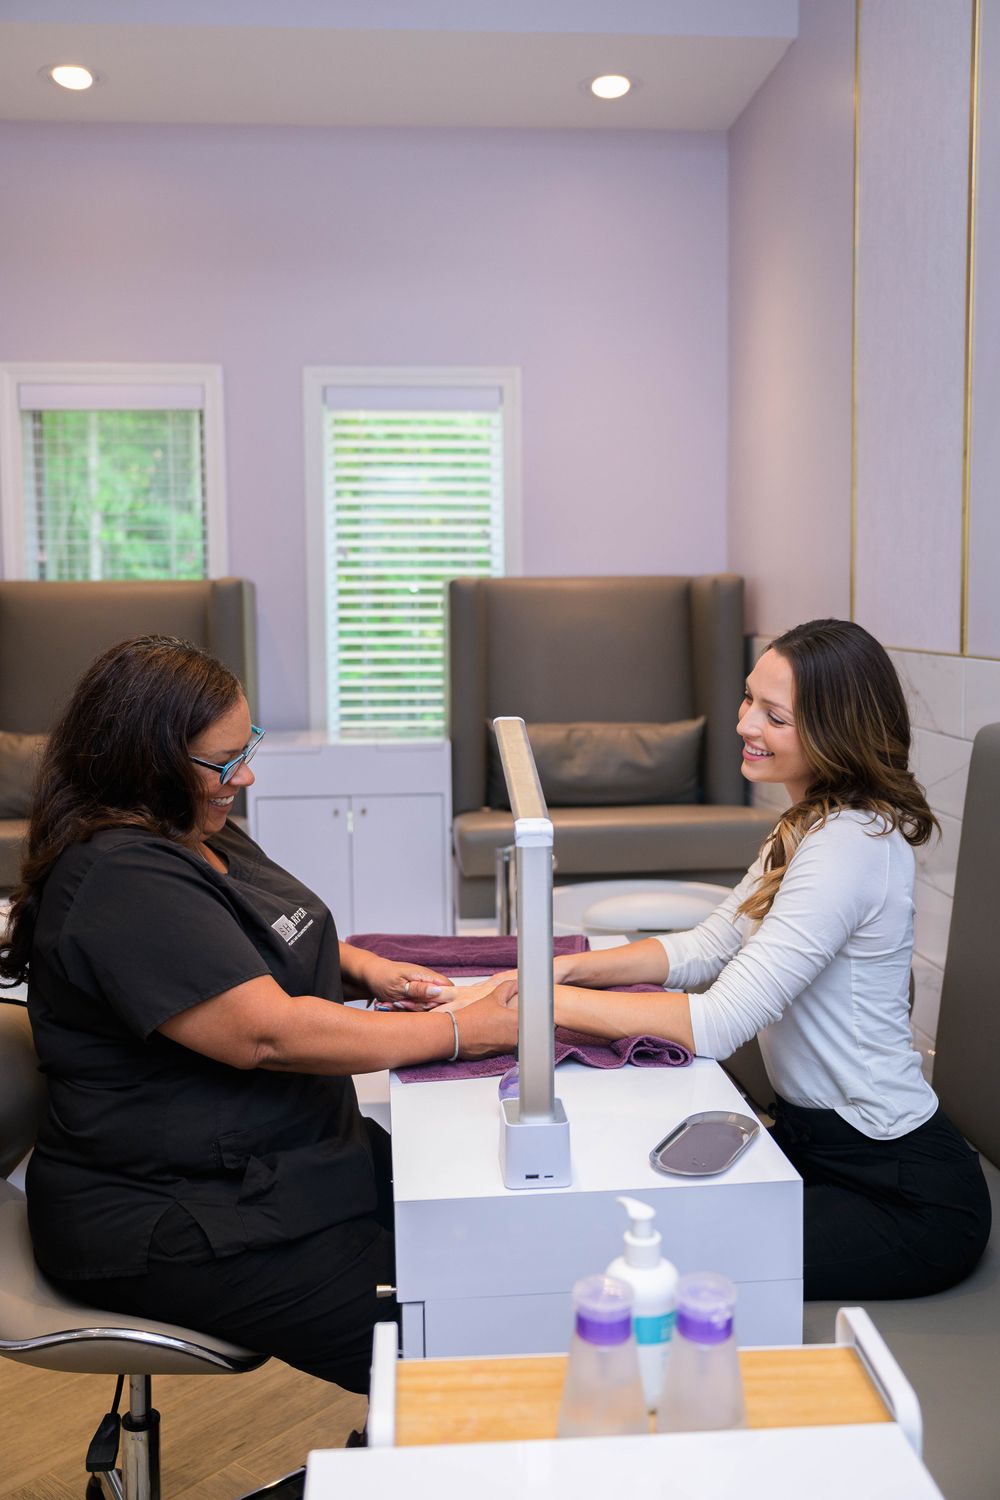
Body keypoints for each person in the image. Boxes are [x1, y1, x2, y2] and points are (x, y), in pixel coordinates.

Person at [0, 634, 517, 1391]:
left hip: (283, 1158)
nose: (243, 775)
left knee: (490, 1239)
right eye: (223, 761)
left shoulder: (195, 830)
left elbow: (257, 935)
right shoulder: (118, 876)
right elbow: (264, 1033)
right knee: (458, 1339)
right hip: (177, 1213)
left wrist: (365, 968)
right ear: (147, 761)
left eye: (248, 749)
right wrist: (456, 1031)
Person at [445, 619, 992, 1302]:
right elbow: (703, 947)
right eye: (748, 699)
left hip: (900, 1192)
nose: (745, 724)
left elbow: (719, 1023)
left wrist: (534, 1005)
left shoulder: (851, 845)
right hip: (817, 1148)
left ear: (836, 732)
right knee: (625, 1220)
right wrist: (555, 971)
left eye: (775, 716)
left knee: (657, 1264)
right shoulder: (808, 824)